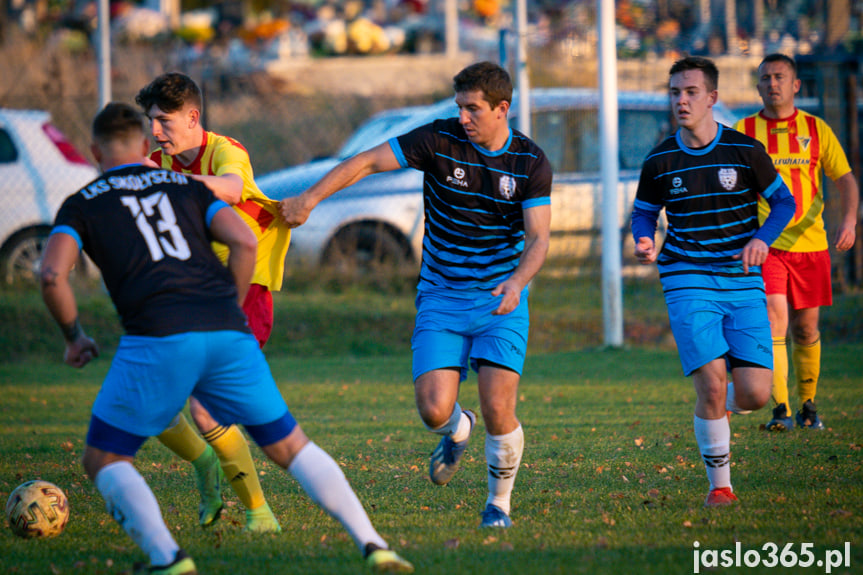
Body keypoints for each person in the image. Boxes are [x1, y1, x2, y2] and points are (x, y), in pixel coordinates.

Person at [39, 102, 413, 575]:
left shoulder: (84, 201)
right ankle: (374, 544)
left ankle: (167, 559)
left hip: (157, 336)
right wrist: (230, 309)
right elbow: (244, 241)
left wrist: (74, 336)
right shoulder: (183, 185)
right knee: (291, 446)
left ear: (94, 151)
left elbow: (52, 274)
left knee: (105, 457)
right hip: (226, 331)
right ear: (143, 147)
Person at [279, 61, 552, 528]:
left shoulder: (529, 162)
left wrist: (516, 282)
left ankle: (497, 506)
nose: (463, 118)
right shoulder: (438, 140)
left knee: (498, 407)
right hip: (442, 296)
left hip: (499, 299)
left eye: (473, 109)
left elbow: (539, 239)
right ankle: (456, 429)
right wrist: (308, 199)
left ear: (502, 109)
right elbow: (364, 162)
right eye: (459, 107)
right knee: (432, 410)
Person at [631, 56, 796, 507]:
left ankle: (716, 393)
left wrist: (762, 239)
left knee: (756, 394)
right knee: (709, 383)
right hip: (686, 276)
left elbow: (784, 203)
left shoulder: (744, 152)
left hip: (742, 280)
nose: (681, 101)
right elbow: (644, 211)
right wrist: (645, 239)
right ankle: (720, 487)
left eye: (690, 93)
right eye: (674, 93)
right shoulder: (661, 159)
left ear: (712, 98)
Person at [135, 72, 291, 532]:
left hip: (246, 289)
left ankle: (259, 512)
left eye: (164, 121)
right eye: (151, 122)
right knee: (152, 401)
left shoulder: (226, 150)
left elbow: (228, 188)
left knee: (206, 407)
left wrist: (158, 180)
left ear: (193, 117)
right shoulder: (157, 158)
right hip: (191, 291)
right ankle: (205, 465)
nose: (156, 132)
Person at [733, 53, 859, 431]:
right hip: (765, 246)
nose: (773, 84)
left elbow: (847, 181)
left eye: (780, 77)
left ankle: (808, 406)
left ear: (795, 85)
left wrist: (850, 221)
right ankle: (781, 410)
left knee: (806, 329)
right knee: (774, 320)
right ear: (758, 86)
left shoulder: (816, 129)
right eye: (766, 78)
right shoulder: (743, 130)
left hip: (812, 245)